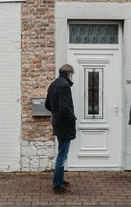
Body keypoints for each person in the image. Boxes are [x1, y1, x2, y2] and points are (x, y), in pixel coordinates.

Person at [45, 64, 77, 194]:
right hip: (64, 124)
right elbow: (64, 108)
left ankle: (60, 179)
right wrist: (72, 118)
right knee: (62, 155)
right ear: (69, 73)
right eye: (72, 74)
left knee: (61, 152)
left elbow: (48, 105)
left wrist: (56, 114)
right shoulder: (64, 86)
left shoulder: (53, 84)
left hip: (57, 123)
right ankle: (57, 185)